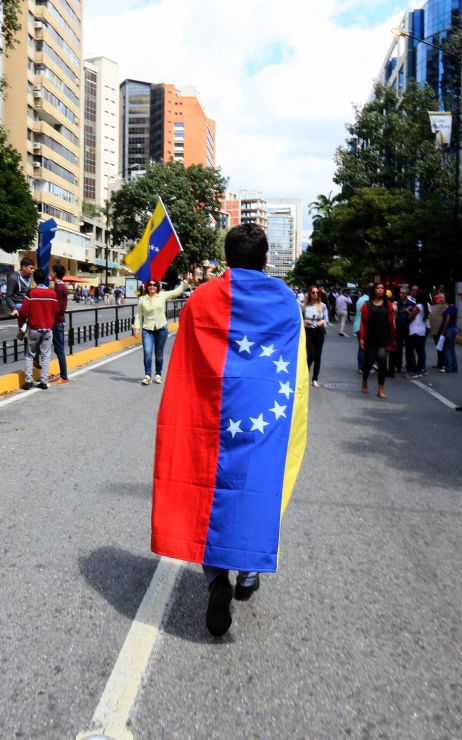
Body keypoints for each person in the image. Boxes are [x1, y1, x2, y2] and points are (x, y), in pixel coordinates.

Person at [151, 222, 307, 637]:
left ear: (226, 257)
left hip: (212, 418)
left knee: (209, 492)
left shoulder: (200, 300)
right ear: (264, 259)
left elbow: (185, 365)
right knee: (255, 488)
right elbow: (296, 365)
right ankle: (249, 570)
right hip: (262, 416)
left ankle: (215, 579)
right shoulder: (286, 302)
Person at [132, 272, 191, 385]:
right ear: (147, 286)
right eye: (150, 284)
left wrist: (185, 281)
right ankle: (147, 375)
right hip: (147, 329)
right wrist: (136, 328)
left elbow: (176, 292)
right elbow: (139, 315)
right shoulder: (142, 299)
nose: (152, 287)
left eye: (154, 285)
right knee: (147, 352)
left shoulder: (162, 295)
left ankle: (158, 375)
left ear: (157, 287)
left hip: (161, 329)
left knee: (159, 353)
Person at [18, 269, 60, 390]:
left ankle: (29, 381)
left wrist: (21, 326)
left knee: (29, 355)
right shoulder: (53, 294)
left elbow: (23, 312)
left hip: (34, 329)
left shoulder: (31, 293)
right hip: (47, 329)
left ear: (35, 280)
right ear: (46, 279)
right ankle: (43, 382)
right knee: (46, 355)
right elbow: (56, 312)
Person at [359, 282, 395, 399]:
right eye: (378, 288)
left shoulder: (388, 305)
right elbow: (363, 323)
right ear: (374, 290)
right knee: (369, 362)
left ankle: (381, 388)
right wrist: (362, 339)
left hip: (384, 338)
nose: (380, 290)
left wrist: (393, 338)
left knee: (382, 361)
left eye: (382, 288)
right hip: (370, 338)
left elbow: (391, 322)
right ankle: (365, 380)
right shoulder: (367, 305)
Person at [49, 264, 70, 385]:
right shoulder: (62, 287)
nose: (51, 274)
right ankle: (63, 375)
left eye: (52, 272)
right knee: (59, 349)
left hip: (57, 321)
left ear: (55, 274)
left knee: (59, 349)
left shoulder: (59, 288)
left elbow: (58, 308)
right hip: (59, 320)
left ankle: (63, 376)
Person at [302, 285, 328, 388]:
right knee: (310, 356)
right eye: (313, 292)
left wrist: (323, 322)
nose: (315, 294)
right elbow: (300, 319)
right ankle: (305, 377)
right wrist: (305, 322)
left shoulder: (322, 306)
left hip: (319, 332)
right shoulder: (304, 306)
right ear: (309, 293)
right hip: (308, 332)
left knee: (318, 357)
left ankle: (315, 379)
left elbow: (326, 319)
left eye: (317, 292)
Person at [405, 285, 427, 377]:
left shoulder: (419, 305)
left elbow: (411, 316)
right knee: (420, 350)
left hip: (414, 330)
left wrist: (407, 311)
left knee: (410, 350)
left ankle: (414, 369)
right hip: (422, 330)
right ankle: (420, 368)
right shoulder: (425, 305)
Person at [392, 285, 411, 375]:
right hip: (398, 328)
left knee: (409, 347)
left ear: (407, 294)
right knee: (398, 347)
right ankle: (398, 365)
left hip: (408, 328)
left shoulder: (411, 304)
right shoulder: (396, 303)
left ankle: (409, 365)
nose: (401, 295)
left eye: (403, 293)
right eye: (400, 293)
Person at [352, 285, 370, 373]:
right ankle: (363, 367)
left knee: (362, 347)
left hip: (357, 325)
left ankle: (361, 367)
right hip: (364, 326)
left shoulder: (361, 299)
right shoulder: (368, 300)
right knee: (364, 347)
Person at [439, 293, 459, 373]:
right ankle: (454, 367)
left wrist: (443, 330)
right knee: (452, 348)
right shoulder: (454, 308)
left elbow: (447, 319)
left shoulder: (449, 309)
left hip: (449, 329)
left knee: (447, 349)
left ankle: (448, 367)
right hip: (454, 328)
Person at [429, 294, 446, 372]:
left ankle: (443, 363)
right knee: (438, 347)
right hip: (435, 330)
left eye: (442, 298)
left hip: (442, 330)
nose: (441, 299)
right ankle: (440, 363)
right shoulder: (433, 307)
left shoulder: (446, 307)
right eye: (440, 298)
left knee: (442, 348)